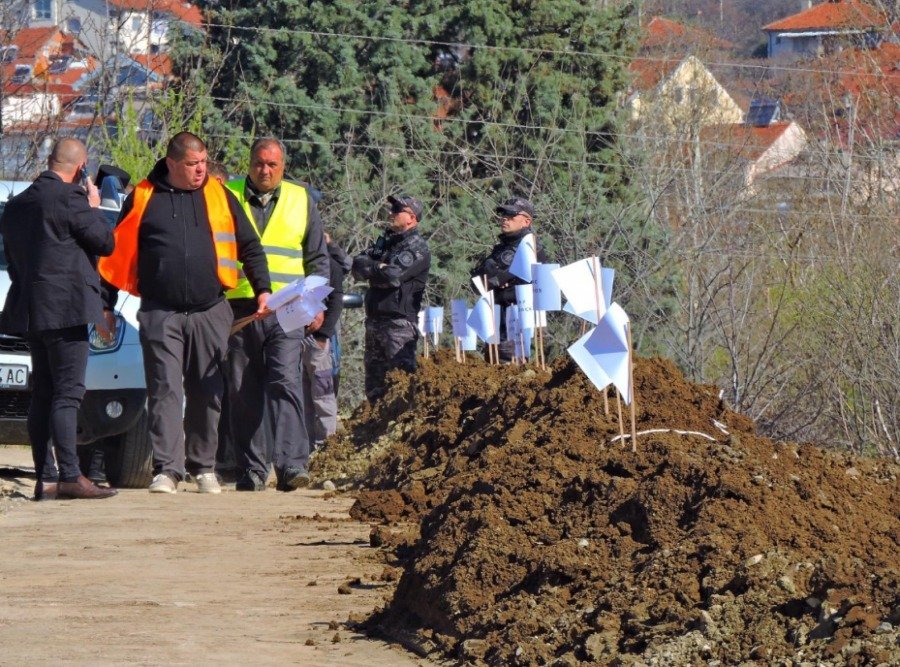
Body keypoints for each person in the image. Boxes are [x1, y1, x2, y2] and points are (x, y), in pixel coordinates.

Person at [98, 132, 271, 495]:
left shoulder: (219, 194)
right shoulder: (144, 197)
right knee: (164, 388)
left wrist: (263, 289)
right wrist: (104, 305)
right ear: (173, 163)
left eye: (204, 162)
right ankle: (167, 469)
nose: (200, 170)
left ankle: (203, 466)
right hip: (162, 311)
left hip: (210, 309)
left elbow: (249, 245)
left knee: (207, 390)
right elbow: (116, 254)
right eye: (193, 164)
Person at [0, 137, 117, 500]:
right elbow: (105, 242)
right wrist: (95, 205)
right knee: (67, 394)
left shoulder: (18, 204)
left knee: (43, 394)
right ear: (81, 168)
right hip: (66, 311)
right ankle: (70, 475)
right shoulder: (71, 199)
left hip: (31, 310)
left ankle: (46, 477)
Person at [224, 138, 329, 492]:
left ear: (283, 167)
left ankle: (291, 466)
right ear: (249, 162)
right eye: (258, 163)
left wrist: (315, 305)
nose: (264, 171)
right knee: (243, 389)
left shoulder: (301, 200)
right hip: (239, 307)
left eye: (272, 165)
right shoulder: (227, 193)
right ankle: (252, 470)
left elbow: (317, 259)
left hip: (287, 309)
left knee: (285, 380)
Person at [352, 194, 430, 402]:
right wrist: (379, 267)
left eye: (397, 209)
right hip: (375, 320)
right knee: (374, 388)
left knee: (399, 386)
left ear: (411, 217)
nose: (390, 213)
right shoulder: (386, 243)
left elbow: (392, 277)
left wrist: (375, 269)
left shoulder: (416, 246)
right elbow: (357, 264)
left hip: (399, 325)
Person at [471, 196, 548, 362]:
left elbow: (496, 279)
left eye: (512, 216)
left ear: (526, 221)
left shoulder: (528, 247)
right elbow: (477, 283)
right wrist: (491, 277)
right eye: (504, 215)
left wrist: (494, 278)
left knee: (509, 376)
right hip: (496, 323)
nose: (505, 219)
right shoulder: (502, 247)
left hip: (515, 327)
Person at [301, 231, 348, 449]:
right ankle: (303, 447)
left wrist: (323, 334)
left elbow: (336, 301)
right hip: (291, 337)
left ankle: (326, 447)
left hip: (317, 341)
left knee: (323, 394)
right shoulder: (294, 261)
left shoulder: (331, 265)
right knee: (298, 397)